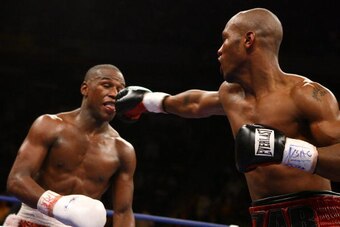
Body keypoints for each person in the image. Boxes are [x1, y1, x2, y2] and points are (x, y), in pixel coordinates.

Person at [115, 8, 340, 226]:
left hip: (317, 216)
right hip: (264, 216)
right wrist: (147, 101)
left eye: (225, 39)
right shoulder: (230, 94)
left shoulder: (307, 95)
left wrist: (286, 151)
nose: (219, 50)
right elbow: (194, 103)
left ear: (248, 40)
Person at [5, 64, 136, 227]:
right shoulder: (49, 125)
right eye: (107, 85)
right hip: (32, 220)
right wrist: (60, 207)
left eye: (120, 90)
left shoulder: (123, 150)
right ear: (85, 89)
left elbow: (123, 212)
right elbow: (16, 180)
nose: (114, 94)